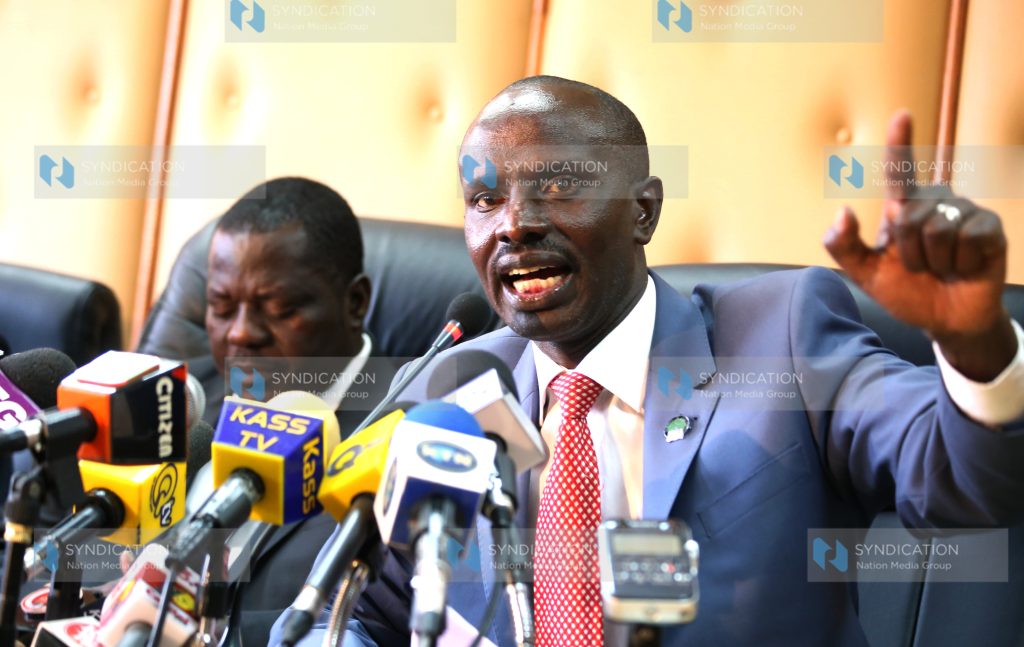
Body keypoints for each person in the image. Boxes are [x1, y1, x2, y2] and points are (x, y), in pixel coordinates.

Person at [273, 76, 1024, 646]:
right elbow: (361, 611)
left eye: (559, 184)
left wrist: (973, 345)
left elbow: (964, 486)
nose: (516, 224)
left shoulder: (781, 334)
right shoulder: (455, 391)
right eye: (485, 197)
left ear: (643, 210)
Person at [185, 177, 383, 645]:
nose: (239, 334)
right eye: (220, 306)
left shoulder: (398, 427)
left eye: (276, 308)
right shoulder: (185, 405)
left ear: (354, 304)